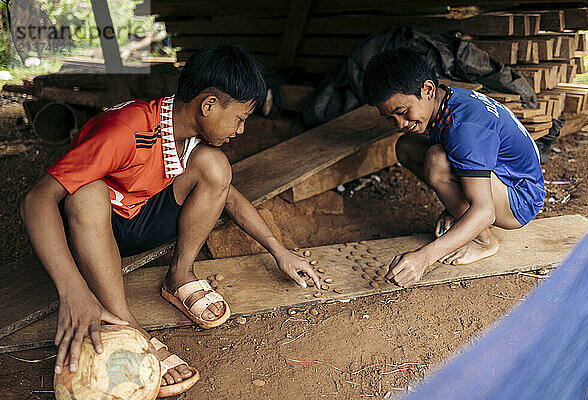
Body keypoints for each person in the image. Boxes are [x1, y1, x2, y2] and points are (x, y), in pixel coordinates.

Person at [20, 44, 320, 397]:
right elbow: (35, 200)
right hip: (94, 232)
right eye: (239, 118)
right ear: (208, 105)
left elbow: (230, 195)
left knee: (216, 167)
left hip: (140, 221)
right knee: (85, 194)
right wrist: (72, 288)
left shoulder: (187, 132)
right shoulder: (124, 129)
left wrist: (278, 250)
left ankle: (179, 275)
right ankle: (128, 326)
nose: (240, 129)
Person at [363, 48, 545, 289]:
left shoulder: (464, 128)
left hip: (520, 200)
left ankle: (484, 243)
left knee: (437, 161)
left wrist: (424, 258)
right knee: (407, 146)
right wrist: (454, 207)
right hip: (500, 180)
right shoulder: (446, 99)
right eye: (389, 117)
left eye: (403, 112)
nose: (399, 123)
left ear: (427, 89)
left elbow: (485, 211)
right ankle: (462, 211)